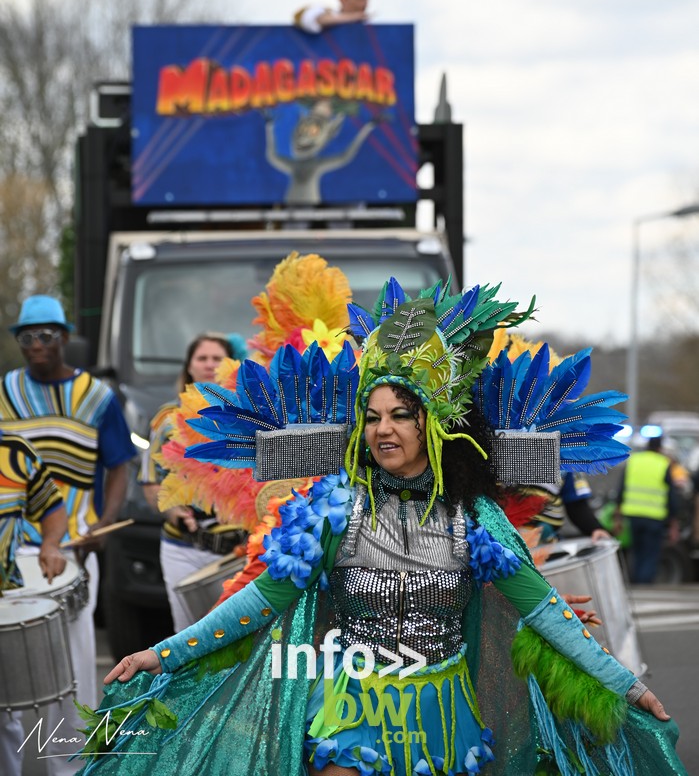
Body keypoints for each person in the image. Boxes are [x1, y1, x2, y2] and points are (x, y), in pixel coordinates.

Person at [77, 279, 686, 776]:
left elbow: (543, 613)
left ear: (435, 425)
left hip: (445, 720)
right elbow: (262, 601)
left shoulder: (473, 518)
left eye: (400, 415)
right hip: (351, 709)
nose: (383, 430)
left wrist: (624, 683)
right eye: (371, 417)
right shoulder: (335, 508)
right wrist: (162, 652)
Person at [0, 295, 135, 776]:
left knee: (72, 669)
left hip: (75, 549)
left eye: (46, 336)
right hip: (11, 552)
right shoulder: (3, 392)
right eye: (26, 337)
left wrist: (105, 521)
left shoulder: (97, 396)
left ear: (64, 339)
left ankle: (74, 767)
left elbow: (120, 464)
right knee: (11, 673)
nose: (36, 345)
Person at [141, 333, 248, 631]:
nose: (210, 365)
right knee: (187, 639)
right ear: (189, 366)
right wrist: (172, 511)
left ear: (231, 365)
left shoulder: (250, 415)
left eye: (218, 358)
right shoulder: (167, 418)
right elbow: (151, 482)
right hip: (183, 550)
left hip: (238, 553)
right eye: (202, 358)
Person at [0, 428, 68, 776]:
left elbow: (52, 508)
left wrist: (50, 545)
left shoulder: (15, 450)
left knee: (2, 719)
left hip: (3, 600)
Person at [615, 434, 680, 584]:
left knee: (636, 552)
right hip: (654, 517)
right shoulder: (663, 463)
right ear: (660, 448)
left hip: (633, 515)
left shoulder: (634, 461)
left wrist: (617, 517)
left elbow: (621, 489)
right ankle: (644, 584)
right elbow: (671, 496)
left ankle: (636, 582)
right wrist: (673, 523)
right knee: (650, 553)